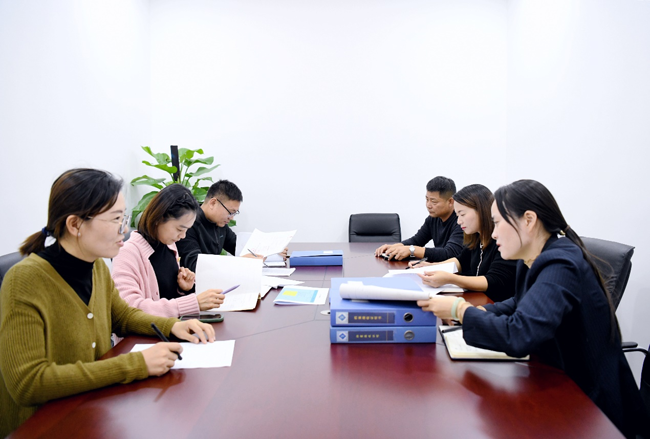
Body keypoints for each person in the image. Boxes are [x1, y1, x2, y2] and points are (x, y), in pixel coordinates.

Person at [417, 179, 650, 438]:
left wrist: (461, 310)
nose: (493, 234)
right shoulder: (533, 258)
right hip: (557, 383)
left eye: (498, 223)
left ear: (528, 220)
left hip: (589, 408)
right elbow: (520, 301)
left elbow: (520, 334)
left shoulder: (561, 263)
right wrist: (485, 312)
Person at [0, 169, 215, 437]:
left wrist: (172, 326)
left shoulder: (97, 267)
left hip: (93, 410)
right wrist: (136, 364)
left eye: (123, 218)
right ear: (75, 225)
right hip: (46, 425)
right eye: (115, 219)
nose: (124, 229)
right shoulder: (25, 280)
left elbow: (123, 316)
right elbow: (28, 383)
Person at [112, 184, 225, 317]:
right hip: (150, 330)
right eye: (180, 229)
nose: (183, 236)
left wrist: (182, 289)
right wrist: (193, 303)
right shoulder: (127, 253)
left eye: (186, 230)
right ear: (159, 218)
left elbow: (168, 297)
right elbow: (130, 309)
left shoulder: (170, 246)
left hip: (173, 326)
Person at [412, 184, 516, 302]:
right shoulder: (476, 236)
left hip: (496, 304)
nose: (459, 221)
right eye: (457, 215)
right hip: (479, 299)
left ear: (481, 210)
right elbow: (461, 261)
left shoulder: (502, 241)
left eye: (462, 214)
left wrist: (450, 278)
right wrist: (432, 266)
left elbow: (494, 280)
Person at [176, 180, 286, 273]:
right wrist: (240, 262)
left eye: (234, 213)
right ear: (213, 203)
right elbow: (195, 265)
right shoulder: (189, 224)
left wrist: (273, 251)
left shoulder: (219, 223)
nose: (231, 218)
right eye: (230, 212)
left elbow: (238, 247)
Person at [375, 176, 464, 262]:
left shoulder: (461, 221)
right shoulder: (433, 219)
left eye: (434, 201)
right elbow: (417, 240)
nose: (428, 205)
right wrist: (395, 247)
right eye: (427, 199)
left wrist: (412, 250)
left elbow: (449, 253)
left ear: (450, 202)